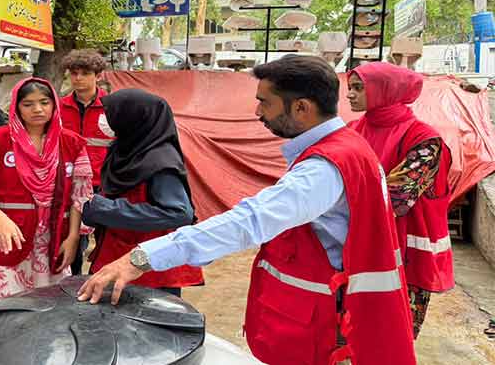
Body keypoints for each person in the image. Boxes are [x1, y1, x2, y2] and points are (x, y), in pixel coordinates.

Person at [78, 55, 416, 365]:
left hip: (324, 327)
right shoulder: (346, 147)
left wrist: (142, 257)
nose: (257, 112)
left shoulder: (324, 168)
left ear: (301, 108)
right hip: (322, 312)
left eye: (264, 102)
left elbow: (250, 221)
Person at [0, 78, 92, 302]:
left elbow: (80, 196)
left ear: (54, 104)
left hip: (52, 241)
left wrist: (72, 238)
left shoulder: (71, 143)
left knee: (48, 305)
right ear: (16, 106)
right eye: (28, 104)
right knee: (4, 307)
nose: (37, 109)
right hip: (5, 239)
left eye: (44, 102)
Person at [348, 62, 454, 339]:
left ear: (385, 90)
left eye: (358, 88)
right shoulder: (352, 130)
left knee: (391, 334)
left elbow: (397, 196)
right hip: (354, 243)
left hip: (404, 253)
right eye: (350, 87)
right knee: (348, 328)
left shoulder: (424, 139)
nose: (349, 94)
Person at [81, 89, 203, 297]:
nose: (105, 120)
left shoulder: (160, 161)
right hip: (119, 253)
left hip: (152, 267)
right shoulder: (127, 148)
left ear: (134, 118)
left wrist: (106, 210)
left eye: (112, 114)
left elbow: (178, 214)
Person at [60, 49, 113, 275]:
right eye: (74, 73)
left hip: (104, 185)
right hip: (69, 183)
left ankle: (100, 281)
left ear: (98, 76)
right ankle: (73, 282)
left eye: (85, 73)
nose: (78, 78)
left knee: (105, 240)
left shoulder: (112, 106)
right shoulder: (58, 107)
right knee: (72, 240)